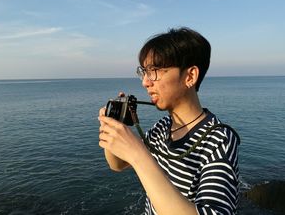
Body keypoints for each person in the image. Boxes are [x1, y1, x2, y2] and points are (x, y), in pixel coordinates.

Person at [98, 27, 240, 215]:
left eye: (155, 70)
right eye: (144, 72)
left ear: (190, 76)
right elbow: (117, 165)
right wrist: (112, 129)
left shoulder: (219, 139)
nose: (145, 82)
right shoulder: (162, 127)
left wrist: (138, 155)